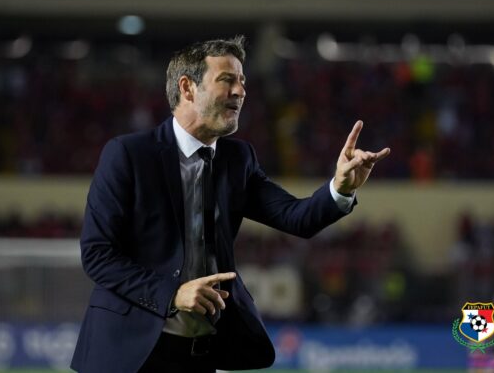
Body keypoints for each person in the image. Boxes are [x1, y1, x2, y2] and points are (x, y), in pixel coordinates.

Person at [70, 36, 390, 373]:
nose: (240, 91)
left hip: (199, 354)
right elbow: (97, 254)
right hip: (129, 354)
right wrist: (172, 294)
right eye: (227, 80)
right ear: (187, 88)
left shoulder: (239, 159)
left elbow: (297, 217)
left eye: (242, 81)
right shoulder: (129, 155)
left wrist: (340, 188)